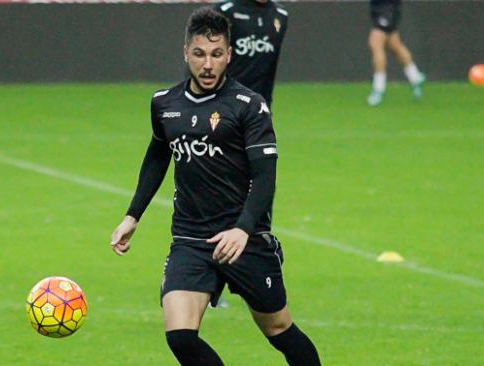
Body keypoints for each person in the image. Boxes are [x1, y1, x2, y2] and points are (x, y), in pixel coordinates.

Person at [109, 7, 321, 366]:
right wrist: (133, 215)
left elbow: (265, 175)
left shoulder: (249, 106)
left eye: (216, 54)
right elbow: (158, 155)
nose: (208, 65)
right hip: (190, 238)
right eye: (199, 54)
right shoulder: (165, 103)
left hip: (245, 239)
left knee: (280, 330)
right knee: (180, 336)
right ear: (185, 53)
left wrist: (243, 229)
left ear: (229, 55)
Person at [214, 0, 289, 107]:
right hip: (225, 102)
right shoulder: (224, 11)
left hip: (259, 103)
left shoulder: (280, 15)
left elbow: (271, 64)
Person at [367, 0, 426, 106]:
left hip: (386, 8)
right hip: (384, 8)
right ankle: (415, 76)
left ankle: (378, 89)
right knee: (395, 45)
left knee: (375, 43)